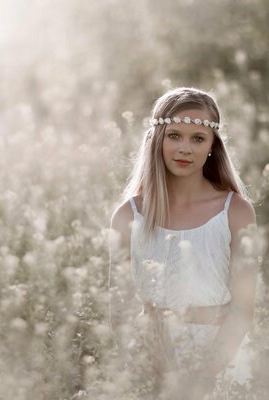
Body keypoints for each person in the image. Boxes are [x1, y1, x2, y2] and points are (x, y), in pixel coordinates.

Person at [108, 87, 260, 398]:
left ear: (212, 146)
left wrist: (202, 377)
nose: (185, 149)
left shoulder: (236, 212)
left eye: (198, 138)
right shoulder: (129, 216)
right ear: (157, 141)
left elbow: (243, 309)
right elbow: (120, 311)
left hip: (222, 359)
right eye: (174, 135)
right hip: (151, 360)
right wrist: (157, 371)